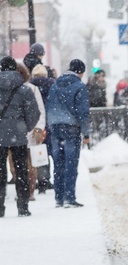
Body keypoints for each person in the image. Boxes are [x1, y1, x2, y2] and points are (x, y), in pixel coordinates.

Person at [46, 59, 90, 208]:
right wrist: (86, 133)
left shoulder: (55, 85)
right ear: (81, 72)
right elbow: (83, 112)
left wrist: (51, 124)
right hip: (71, 128)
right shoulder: (79, 87)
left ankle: (58, 198)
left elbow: (49, 105)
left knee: (58, 164)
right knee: (70, 164)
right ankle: (69, 198)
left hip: (55, 128)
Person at [0, 56, 41, 217]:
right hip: (18, 135)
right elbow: (34, 113)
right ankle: (23, 207)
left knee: (0, 172)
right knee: (21, 170)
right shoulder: (24, 89)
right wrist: (25, 128)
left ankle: (0, 207)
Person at [30, 64, 55, 193]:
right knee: (51, 152)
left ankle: (40, 181)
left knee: (39, 152)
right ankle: (47, 179)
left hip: (37, 124)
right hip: (50, 122)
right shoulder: (52, 84)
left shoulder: (30, 87)